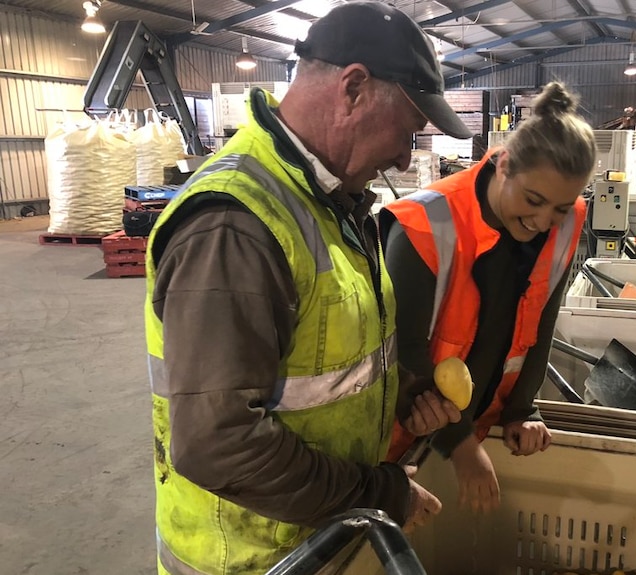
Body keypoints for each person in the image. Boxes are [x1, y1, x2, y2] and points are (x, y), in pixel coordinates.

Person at [143, 3, 472, 574]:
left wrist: (405, 393)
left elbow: (325, 363)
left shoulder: (334, 202)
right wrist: (380, 495)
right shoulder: (236, 225)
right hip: (252, 560)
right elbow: (218, 441)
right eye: (409, 130)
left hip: (317, 543)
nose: (404, 155)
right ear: (353, 89)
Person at [381, 81, 596, 514]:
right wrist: (459, 446)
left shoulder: (566, 220)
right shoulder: (425, 224)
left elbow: (542, 324)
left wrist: (522, 411)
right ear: (504, 166)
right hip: (402, 445)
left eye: (559, 206)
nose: (542, 220)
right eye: (533, 200)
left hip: (480, 424)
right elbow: (404, 358)